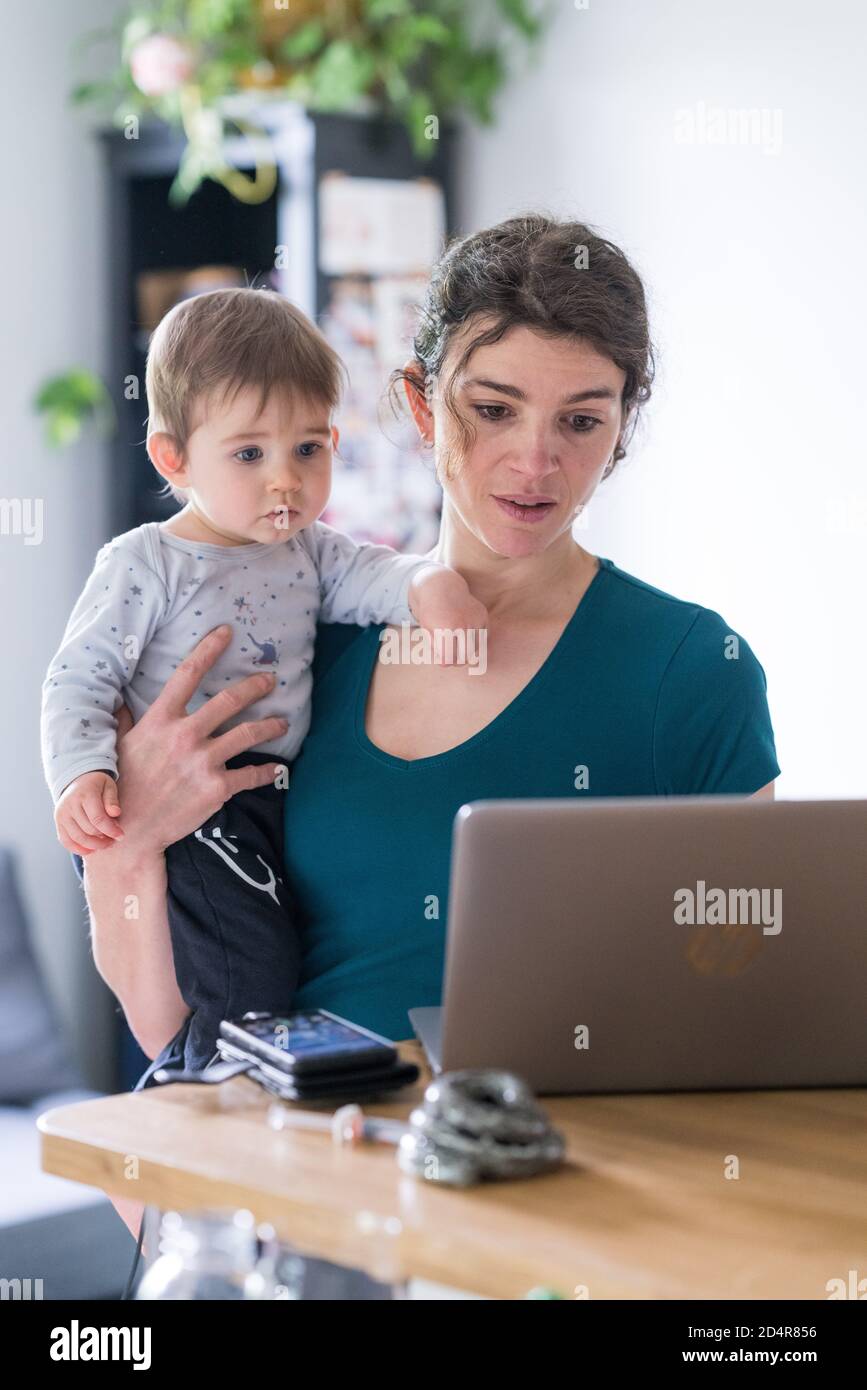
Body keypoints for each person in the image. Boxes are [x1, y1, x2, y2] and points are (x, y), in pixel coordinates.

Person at [73, 213, 779, 1241]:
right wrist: (131, 837)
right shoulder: (298, 649)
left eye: (581, 421)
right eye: (492, 409)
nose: (532, 462)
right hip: (285, 1194)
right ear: (417, 403)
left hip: (540, 1210)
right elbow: (176, 1023)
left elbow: (748, 1006)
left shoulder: (690, 673)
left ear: (623, 427)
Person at [44, 287, 483, 1073]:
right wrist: (84, 777)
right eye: (250, 454)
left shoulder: (309, 550)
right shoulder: (146, 562)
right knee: (248, 968)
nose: (286, 481)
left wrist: (431, 589)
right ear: (174, 458)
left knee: (280, 942)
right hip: (185, 809)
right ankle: (206, 1083)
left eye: (308, 450)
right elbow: (77, 681)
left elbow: (376, 574)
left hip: (269, 796)